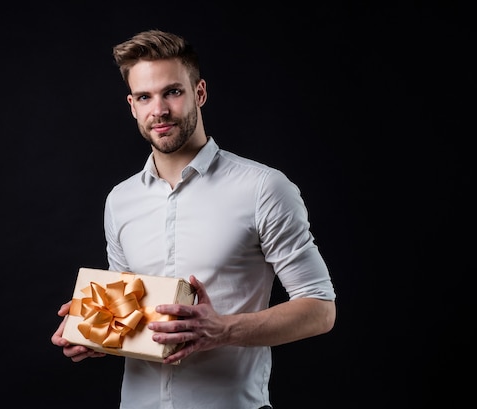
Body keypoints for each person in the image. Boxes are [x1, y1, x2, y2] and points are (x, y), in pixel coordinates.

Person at [51, 29, 336, 409]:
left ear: (199, 93)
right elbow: (130, 316)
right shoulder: (120, 200)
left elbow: (320, 308)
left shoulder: (263, 188)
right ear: (132, 106)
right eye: (144, 97)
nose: (160, 110)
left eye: (173, 91)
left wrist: (222, 330)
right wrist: (94, 331)